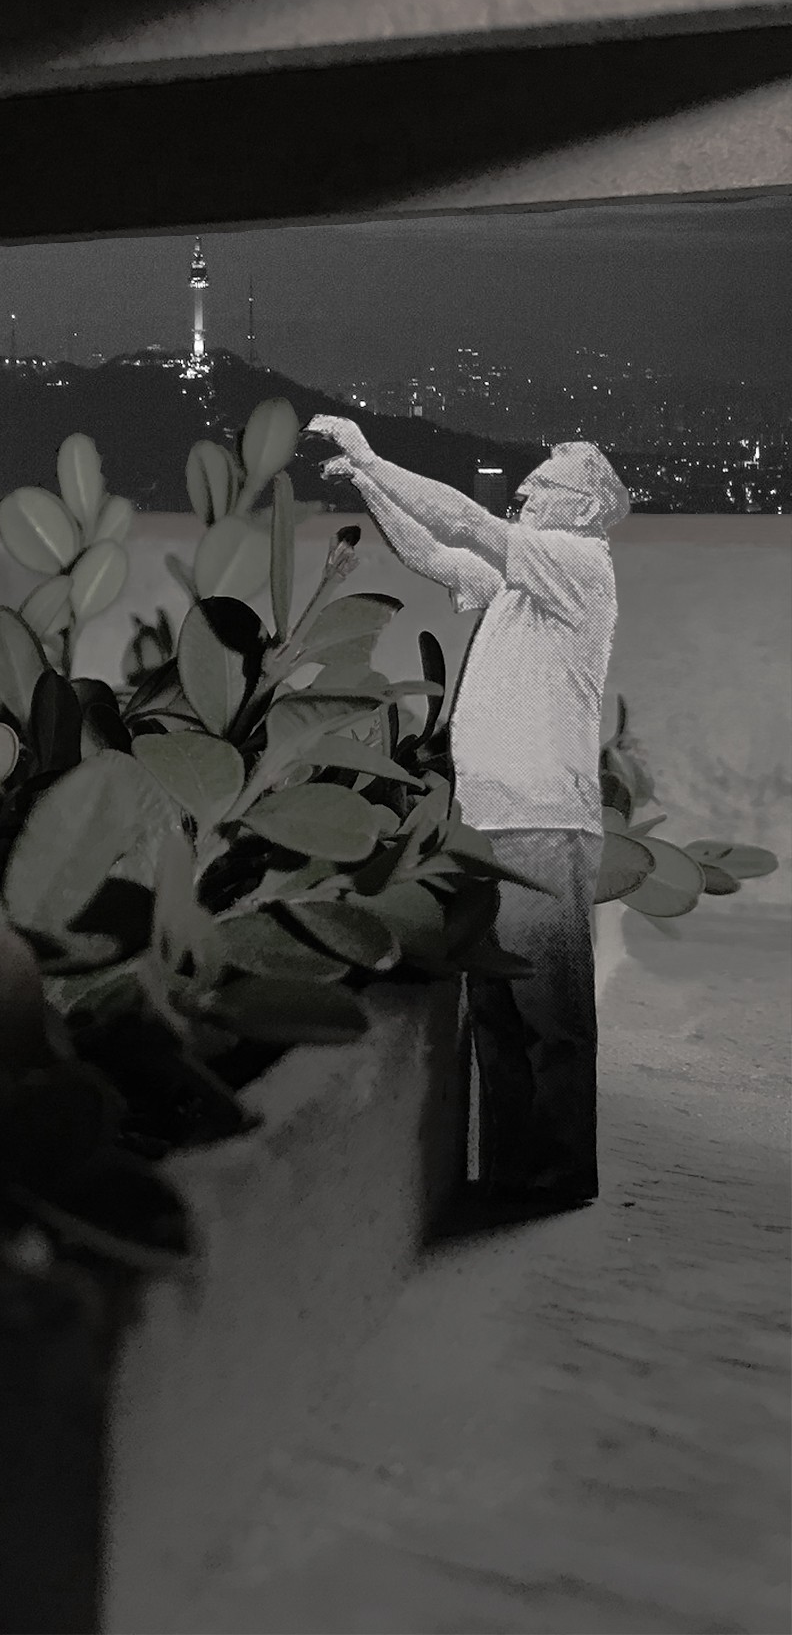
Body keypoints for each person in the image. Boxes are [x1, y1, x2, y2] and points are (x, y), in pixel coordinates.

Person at [305, 417, 631, 1209]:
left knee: (548, 1012)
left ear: (586, 508)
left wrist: (373, 453)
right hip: (487, 821)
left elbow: (466, 521)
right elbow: (433, 553)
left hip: (541, 821)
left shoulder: (577, 564)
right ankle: (511, 1176)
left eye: (546, 484)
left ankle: (557, 1180)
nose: (526, 490)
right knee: (496, 1007)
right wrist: (367, 482)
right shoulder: (521, 584)